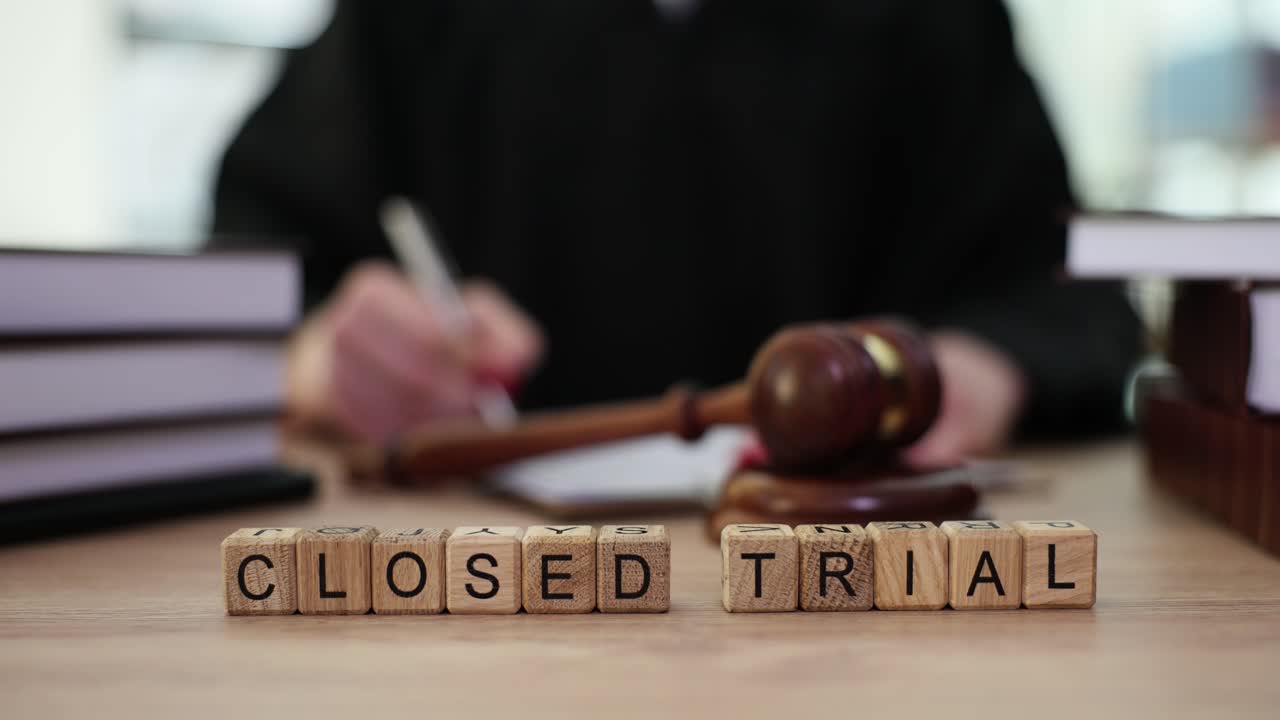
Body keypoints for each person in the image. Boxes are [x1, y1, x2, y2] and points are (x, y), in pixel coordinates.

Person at [211, 0, 1140, 467]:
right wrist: (325, 360)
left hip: (864, 605)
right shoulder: (408, 19)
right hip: (471, 597)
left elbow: (1063, 282)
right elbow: (244, 276)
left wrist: (976, 370)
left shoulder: (932, 19)